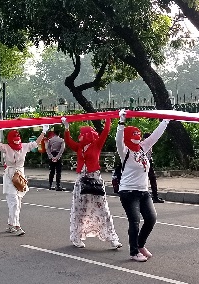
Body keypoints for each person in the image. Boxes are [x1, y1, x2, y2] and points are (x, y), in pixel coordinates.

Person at [115, 112, 170, 262]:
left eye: (138, 134)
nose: (137, 137)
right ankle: (134, 252)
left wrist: (165, 121)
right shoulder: (125, 151)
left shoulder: (142, 148)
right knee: (134, 221)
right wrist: (121, 121)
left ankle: (140, 244)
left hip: (143, 191)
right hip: (128, 192)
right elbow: (118, 140)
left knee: (151, 218)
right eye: (134, 135)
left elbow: (154, 137)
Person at [62, 116, 122, 250]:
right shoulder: (79, 147)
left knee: (103, 210)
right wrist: (66, 127)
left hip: (94, 180)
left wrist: (108, 118)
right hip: (81, 182)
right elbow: (68, 141)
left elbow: (105, 132)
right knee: (79, 210)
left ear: (87, 135)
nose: (79, 137)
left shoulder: (96, 144)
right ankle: (76, 237)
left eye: (81, 134)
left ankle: (112, 238)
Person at [0, 125, 45, 236]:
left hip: (20, 177)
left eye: (18, 137)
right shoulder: (6, 147)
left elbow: (36, 143)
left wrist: (43, 132)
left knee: (18, 202)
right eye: (14, 137)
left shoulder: (24, 146)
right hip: (9, 176)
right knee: (14, 202)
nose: (17, 139)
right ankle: (17, 226)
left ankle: (11, 224)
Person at [144, 132, 164, 203]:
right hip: (143, 165)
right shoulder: (144, 145)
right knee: (146, 180)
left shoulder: (150, 145)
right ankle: (146, 197)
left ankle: (155, 196)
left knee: (153, 180)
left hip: (149, 164)